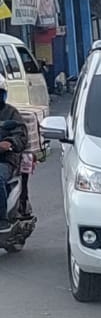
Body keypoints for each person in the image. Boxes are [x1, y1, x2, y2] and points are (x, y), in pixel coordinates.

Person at [0, 81, 29, 228]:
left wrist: (9, 143)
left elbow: (21, 134)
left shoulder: (11, 113)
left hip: (5, 160)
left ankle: (2, 218)